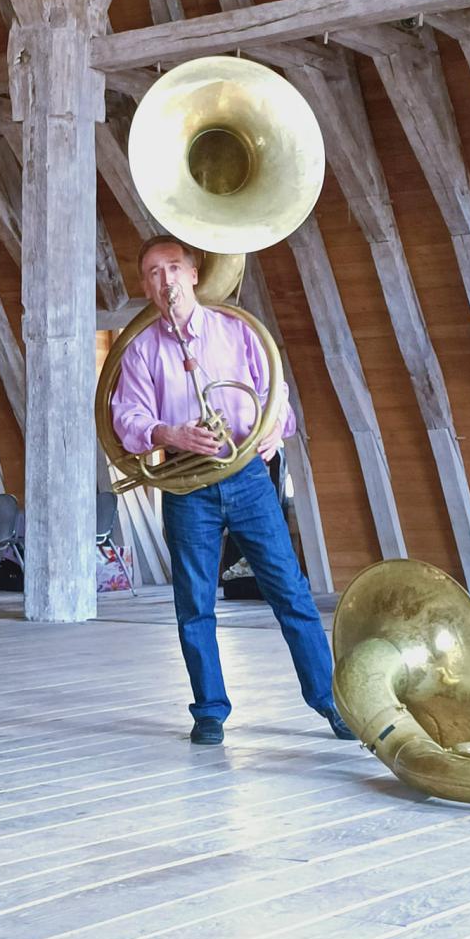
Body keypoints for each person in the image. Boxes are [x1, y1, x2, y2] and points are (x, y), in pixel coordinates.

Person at [111, 234, 356, 746]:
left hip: (245, 476)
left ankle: (331, 702)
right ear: (145, 286)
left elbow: (275, 397)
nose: (166, 281)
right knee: (193, 603)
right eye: (154, 273)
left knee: (290, 592)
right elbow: (127, 417)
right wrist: (169, 433)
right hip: (185, 482)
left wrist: (273, 427)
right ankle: (209, 711)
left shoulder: (237, 330)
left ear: (194, 273)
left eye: (174, 268)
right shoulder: (138, 351)